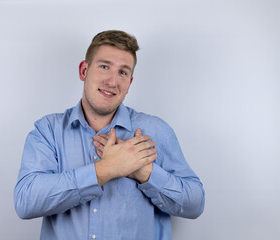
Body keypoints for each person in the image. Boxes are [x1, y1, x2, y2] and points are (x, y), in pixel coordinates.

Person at [14, 30, 205, 240]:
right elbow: (26, 201)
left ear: (130, 83)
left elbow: (195, 203)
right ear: (83, 70)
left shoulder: (156, 131)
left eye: (123, 72)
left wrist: (145, 172)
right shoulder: (48, 131)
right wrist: (106, 169)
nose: (112, 82)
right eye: (104, 67)